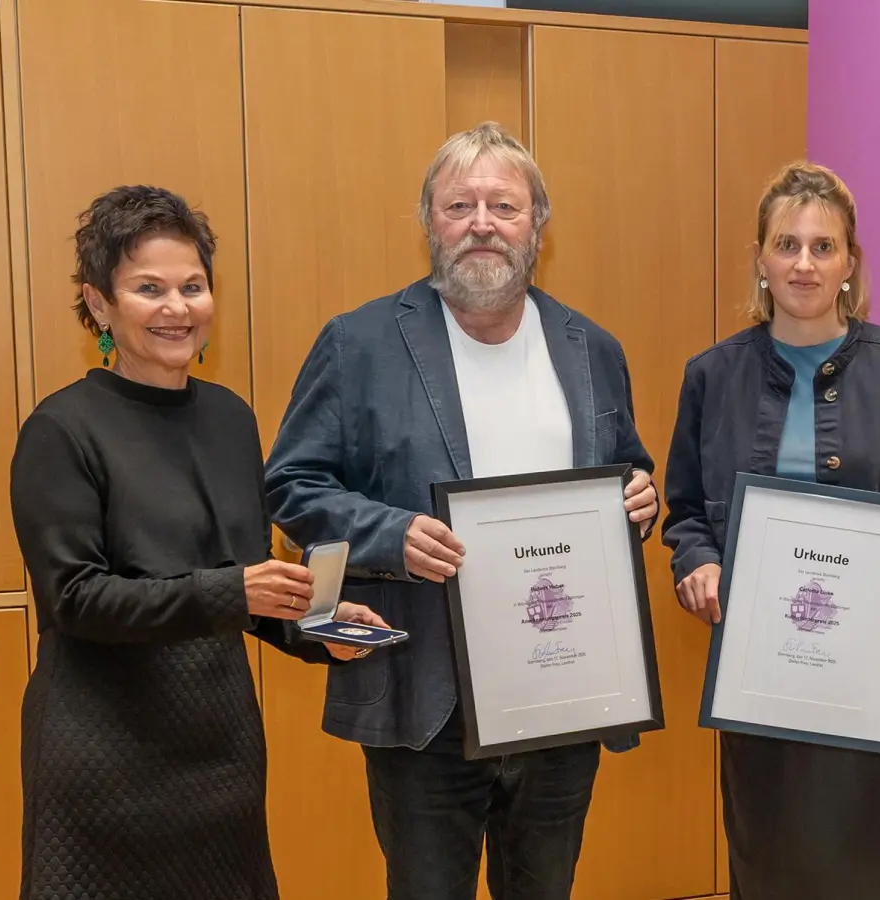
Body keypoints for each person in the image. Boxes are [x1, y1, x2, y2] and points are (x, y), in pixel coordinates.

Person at [263, 121, 660, 900]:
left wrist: (638, 497)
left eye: (504, 206)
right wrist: (392, 534)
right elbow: (292, 484)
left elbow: (626, 472)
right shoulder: (358, 343)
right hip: (426, 698)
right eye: (460, 205)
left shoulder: (592, 348)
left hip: (563, 696)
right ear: (428, 225)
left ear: (537, 228)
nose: (482, 223)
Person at [9, 185, 387, 900]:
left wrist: (317, 629)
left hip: (221, 755)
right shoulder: (60, 430)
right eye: (148, 288)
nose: (176, 308)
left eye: (192, 286)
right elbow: (75, 599)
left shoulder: (229, 418)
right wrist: (235, 589)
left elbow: (240, 584)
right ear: (99, 305)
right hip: (100, 761)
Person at [661, 161, 880, 900]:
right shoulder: (712, 376)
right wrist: (696, 564)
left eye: (824, 247)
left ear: (850, 263)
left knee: (868, 865)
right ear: (761, 260)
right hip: (757, 674)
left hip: (875, 677)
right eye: (787, 244)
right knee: (768, 865)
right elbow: (686, 513)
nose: (804, 263)